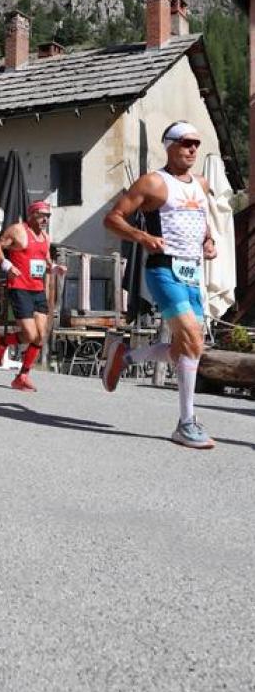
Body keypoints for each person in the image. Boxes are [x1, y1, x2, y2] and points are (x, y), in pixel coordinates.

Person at [102, 120, 217, 449]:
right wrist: (142, 236)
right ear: (169, 145)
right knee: (193, 337)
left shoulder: (202, 184)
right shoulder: (153, 182)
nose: (192, 148)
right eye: (185, 142)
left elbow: (200, 221)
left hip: (192, 272)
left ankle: (126, 357)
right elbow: (112, 218)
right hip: (162, 268)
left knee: (187, 348)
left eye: (196, 143)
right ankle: (186, 423)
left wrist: (208, 241)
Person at [0, 201, 65, 391]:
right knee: (30, 334)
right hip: (19, 288)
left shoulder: (45, 238)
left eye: (48, 216)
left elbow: (45, 261)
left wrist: (55, 268)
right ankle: (1, 341)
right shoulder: (17, 231)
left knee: (41, 337)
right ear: (31, 215)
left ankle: (22, 376)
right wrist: (7, 266)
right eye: (41, 215)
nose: (45, 219)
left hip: (38, 290)